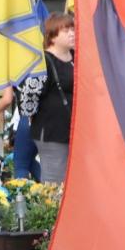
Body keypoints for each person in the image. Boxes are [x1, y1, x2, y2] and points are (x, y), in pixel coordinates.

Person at [15, 14, 75, 184]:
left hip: (72, 131)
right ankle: (51, 211)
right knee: (54, 183)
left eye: (73, 29)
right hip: (51, 132)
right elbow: (28, 94)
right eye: (66, 30)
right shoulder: (44, 62)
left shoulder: (75, 58)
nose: (72, 33)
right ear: (53, 36)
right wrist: (33, 117)